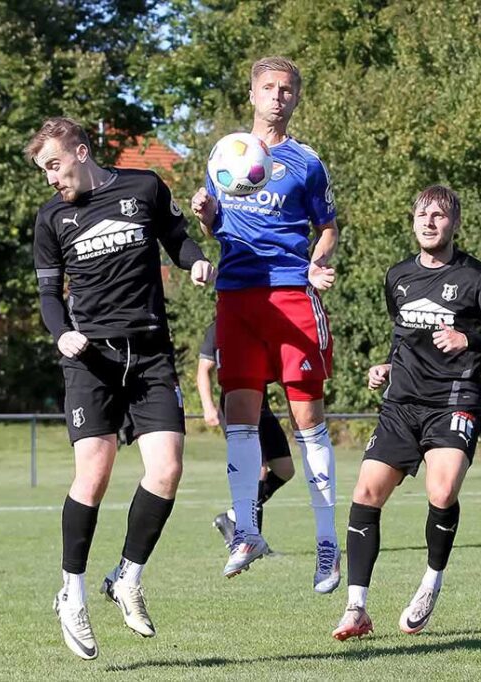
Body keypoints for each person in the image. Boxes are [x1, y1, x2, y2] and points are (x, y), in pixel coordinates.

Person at [26, 117, 215, 660]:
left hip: (150, 353)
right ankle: (73, 592)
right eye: (44, 171)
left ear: (81, 152)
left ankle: (127, 577)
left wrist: (198, 260)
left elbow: (177, 242)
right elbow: (47, 296)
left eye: (54, 165)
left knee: (169, 469)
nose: (50, 178)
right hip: (91, 359)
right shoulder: (51, 218)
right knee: (95, 472)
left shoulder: (144, 186)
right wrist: (62, 335)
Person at [332, 186, 481, 640]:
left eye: (438, 216)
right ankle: (356, 607)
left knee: (441, 493)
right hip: (401, 404)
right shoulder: (397, 276)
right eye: (422, 215)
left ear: (454, 223)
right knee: (365, 493)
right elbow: (403, 333)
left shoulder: (479, 278)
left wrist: (470, 339)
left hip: (454, 400)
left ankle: (429, 583)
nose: (428, 222)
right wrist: (386, 364)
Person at [190, 56, 341, 592]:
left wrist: (317, 263)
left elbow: (327, 228)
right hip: (236, 298)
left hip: (291, 295)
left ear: (296, 97)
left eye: (287, 89)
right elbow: (217, 227)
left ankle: (327, 542)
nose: (277, 97)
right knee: (240, 420)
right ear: (252, 94)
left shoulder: (306, 162)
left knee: (308, 424)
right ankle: (246, 531)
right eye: (269, 88)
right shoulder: (226, 154)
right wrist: (205, 213)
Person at [196, 321, 295, 547]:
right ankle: (250, 540)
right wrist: (208, 407)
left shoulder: (257, 324)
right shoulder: (217, 328)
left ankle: (233, 515)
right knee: (257, 469)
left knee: (285, 470)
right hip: (234, 404)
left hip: (263, 405)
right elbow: (204, 370)